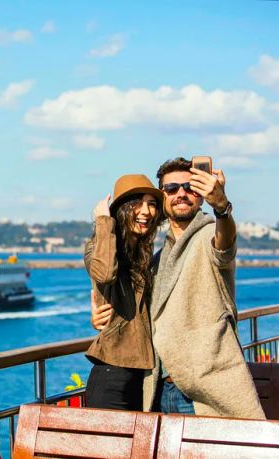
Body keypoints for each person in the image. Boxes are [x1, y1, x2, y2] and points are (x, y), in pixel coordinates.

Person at [91, 158, 265, 419]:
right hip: (157, 390)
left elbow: (224, 244)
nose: (181, 193)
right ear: (162, 197)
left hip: (202, 391)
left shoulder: (208, 235)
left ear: (202, 196)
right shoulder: (157, 259)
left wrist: (222, 207)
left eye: (190, 187)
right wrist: (99, 308)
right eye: (171, 189)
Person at [83, 174, 164, 411]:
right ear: (122, 209)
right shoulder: (98, 248)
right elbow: (105, 273)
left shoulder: (142, 253)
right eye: (138, 203)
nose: (146, 211)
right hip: (112, 374)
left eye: (152, 204)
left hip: (143, 375)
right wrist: (103, 222)